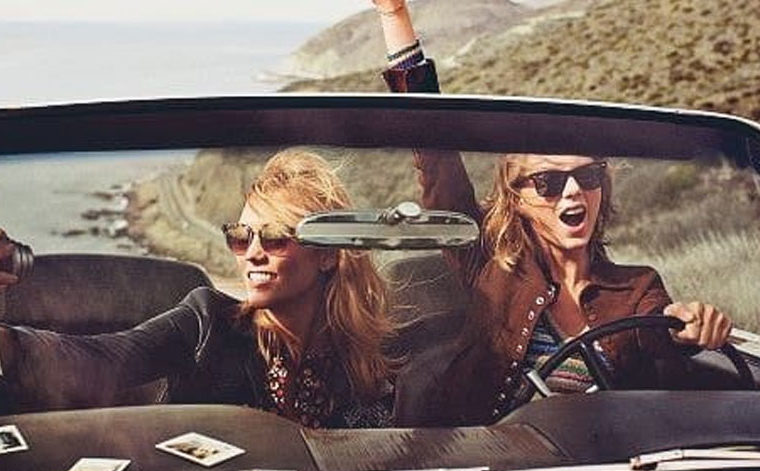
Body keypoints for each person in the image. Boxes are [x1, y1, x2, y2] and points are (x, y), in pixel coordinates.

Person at [371, 0, 734, 426]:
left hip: (596, 456)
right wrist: (394, 14)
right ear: (517, 197)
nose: (574, 191)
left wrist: (690, 326)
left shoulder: (637, 287)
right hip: (486, 452)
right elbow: (435, 149)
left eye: (589, 175)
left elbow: (660, 330)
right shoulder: (490, 264)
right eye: (549, 182)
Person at [0, 149, 394, 428]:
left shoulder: (372, 356)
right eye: (241, 236)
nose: (252, 253)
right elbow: (101, 359)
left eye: (275, 237)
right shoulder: (208, 323)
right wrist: (6, 342)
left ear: (327, 255)